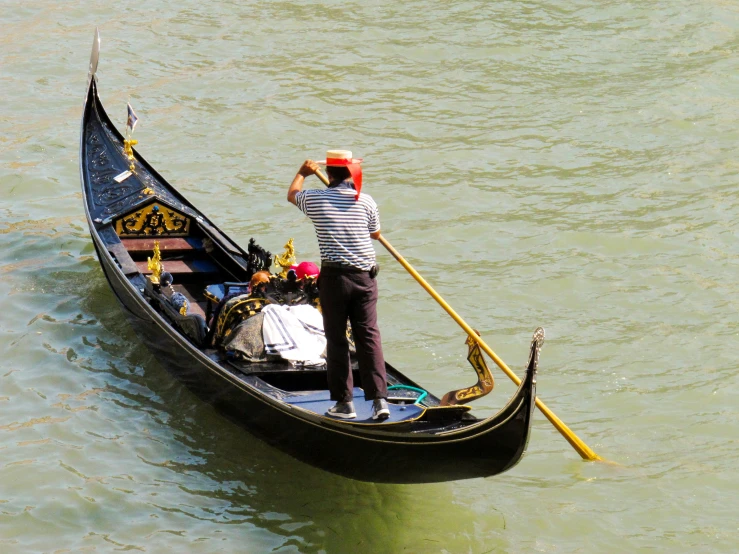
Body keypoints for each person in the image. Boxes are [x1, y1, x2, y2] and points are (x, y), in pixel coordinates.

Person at [287, 149, 390, 421]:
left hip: (334, 280)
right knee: (369, 336)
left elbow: (292, 194)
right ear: (352, 173)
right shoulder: (366, 201)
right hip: (365, 279)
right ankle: (380, 400)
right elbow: (375, 233)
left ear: (328, 174)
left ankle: (345, 404)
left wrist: (302, 172)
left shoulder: (316, 198)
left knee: (336, 340)